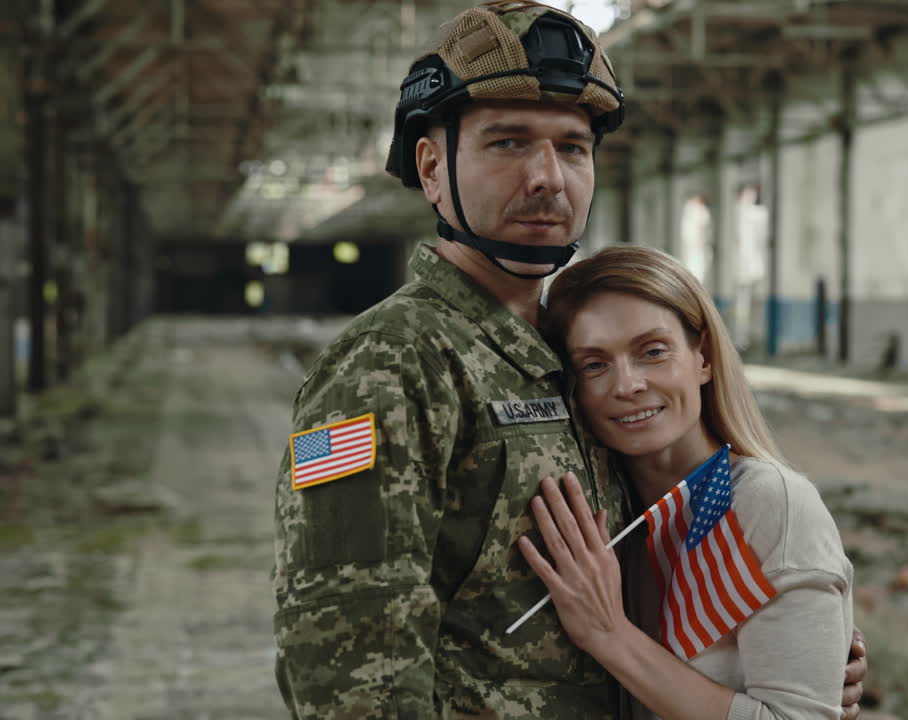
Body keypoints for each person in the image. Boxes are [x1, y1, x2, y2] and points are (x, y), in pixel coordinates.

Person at [271, 2, 867, 718]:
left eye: (573, 148)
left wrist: (781, 652)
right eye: (508, 143)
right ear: (431, 168)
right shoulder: (384, 367)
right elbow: (348, 670)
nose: (548, 177)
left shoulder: (564, 355)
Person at [520, 246, 857, 719]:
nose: (627, 385)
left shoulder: (769, 502)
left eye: (652, 352)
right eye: (594, 364)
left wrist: (609, 634)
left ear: (704, 358)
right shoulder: (609, 511)